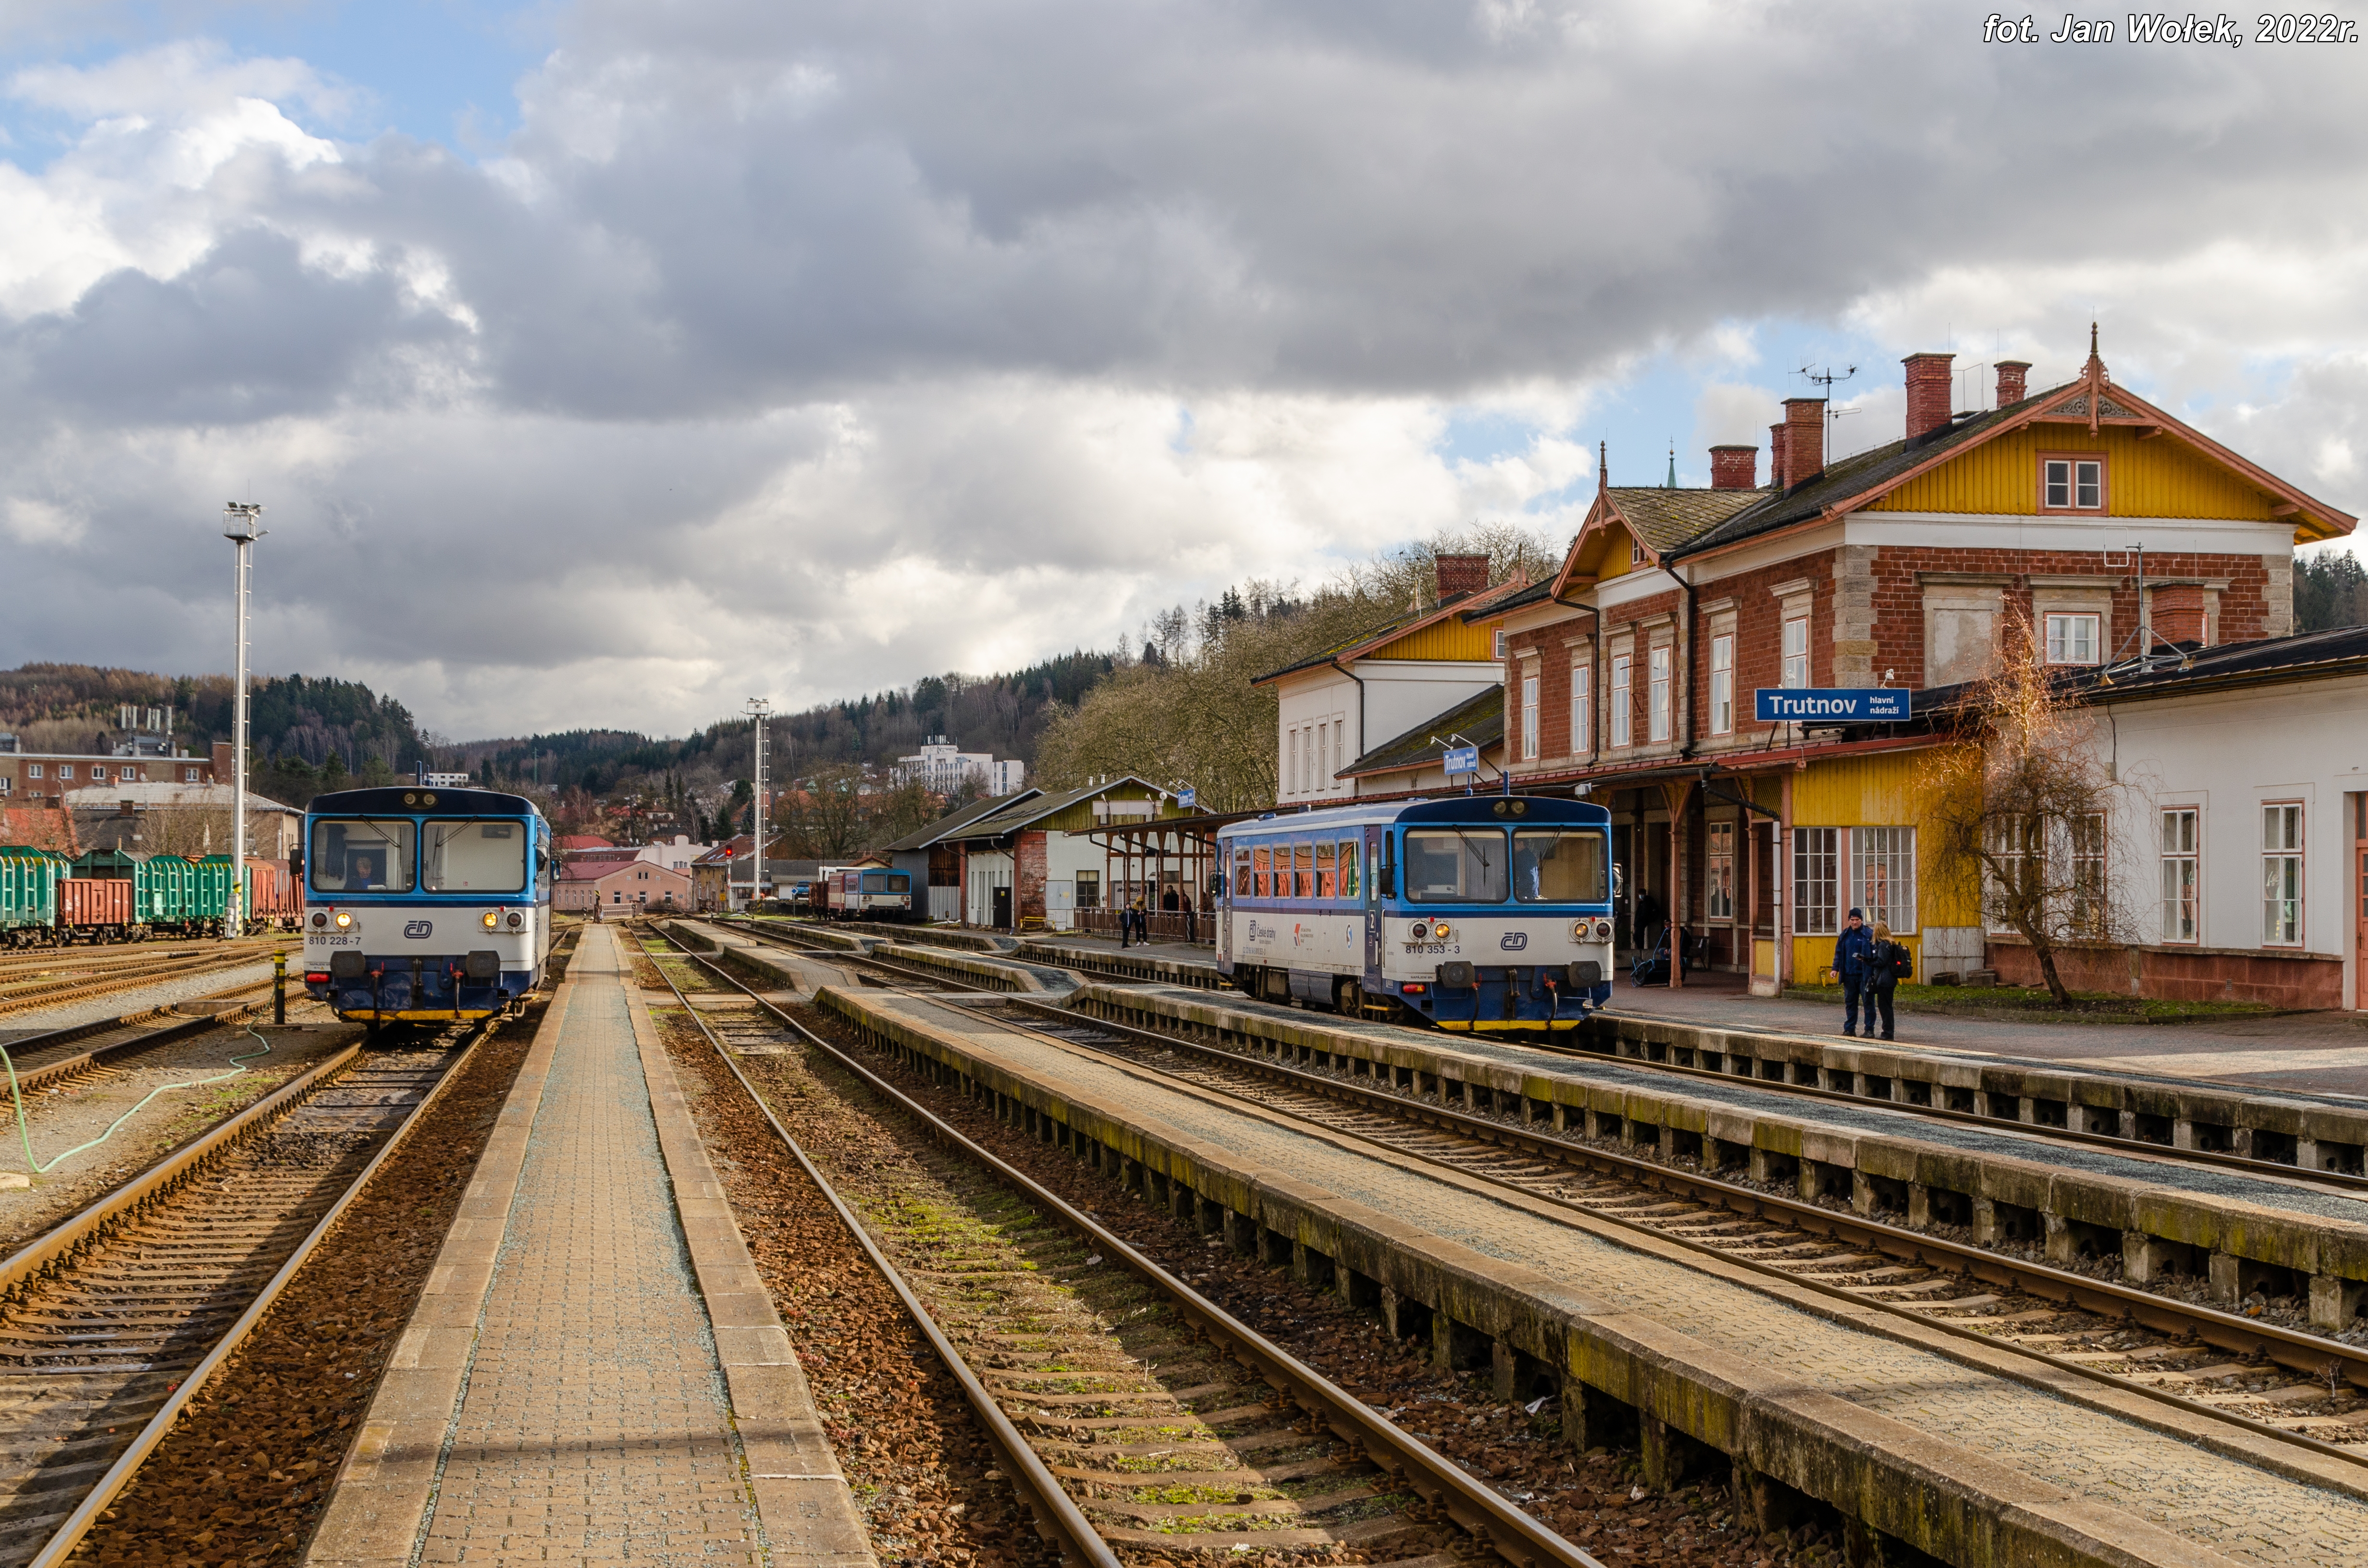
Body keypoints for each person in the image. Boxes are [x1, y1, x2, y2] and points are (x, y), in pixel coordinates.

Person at [1833, 908, 1875, 1036]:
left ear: (1862, 920)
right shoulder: (1845, 935)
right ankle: (1850, 1029)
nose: (1855, 922)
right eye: (1852, 920)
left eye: (1857, 920)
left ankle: (1869, 1030)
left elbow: (1874, 954)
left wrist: (1873, 972)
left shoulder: (1868, 934)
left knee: (1868, 1002)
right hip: (1849, 975)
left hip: (1864, 976)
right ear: (1849, 920)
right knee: (1850, 1003)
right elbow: (1838, 953)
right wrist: (1835, 969)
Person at [1865, 919, 1903, 1041]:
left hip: (1884, 981)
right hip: (1890, 980)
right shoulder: (1891, 944)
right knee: (1888, 1006)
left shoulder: (1883, 945)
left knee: (1884, 1007)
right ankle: (1888, 1031)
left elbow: (1881, 962)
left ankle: (1887, 1032)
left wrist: (1868, 961)